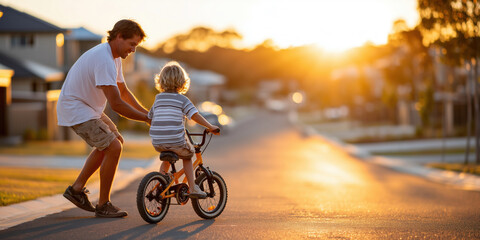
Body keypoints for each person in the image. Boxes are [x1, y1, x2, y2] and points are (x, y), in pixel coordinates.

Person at [57, 19, 150, 218]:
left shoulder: (114, 57)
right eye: (131, 44)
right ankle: (103, 204)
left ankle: (76, 189)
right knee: (113, 146)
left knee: (115, 143)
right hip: (77, 108)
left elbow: (123, 91)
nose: (133, 50)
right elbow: (116, 104)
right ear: (118, 37)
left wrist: (147, 113)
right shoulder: (103, 59)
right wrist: (146, 119)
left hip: (89, 108)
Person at [149, 61, 220, 198]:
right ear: (182, 81)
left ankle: (161, 182)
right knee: (188, 155)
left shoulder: (158, 99)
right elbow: (194, 115)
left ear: (161, 80)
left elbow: (150, 117)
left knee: (167, 158)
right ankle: (193, 188)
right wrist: (210, 127)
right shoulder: (182, 100)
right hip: (175, 140)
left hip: (157, 141)